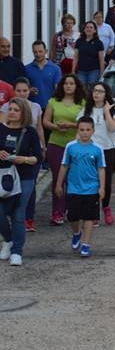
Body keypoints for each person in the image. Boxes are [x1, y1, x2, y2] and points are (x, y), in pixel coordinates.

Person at [55, 116, 105, 258]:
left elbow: (101, 168)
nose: (85, 132)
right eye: (82, 130)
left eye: (88, 130)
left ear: (93, 131)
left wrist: (102, 187)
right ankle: (77, 233)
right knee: (73, 217)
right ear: (77, 130)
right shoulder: (71, 147)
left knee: (89, 217)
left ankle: (86, 244)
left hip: (92, 188)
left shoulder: (97, 149)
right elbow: (64, 165)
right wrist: (59, 184)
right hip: (74, 188)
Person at [0, 99, 43, 267]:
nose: (12, 112)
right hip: (3, 177)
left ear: (23, 112)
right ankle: (9, 241)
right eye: (10, 109)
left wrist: (23, 159)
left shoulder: (30, 132)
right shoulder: (1, 128)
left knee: (18, 215)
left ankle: (17, 251)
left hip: (24, 177)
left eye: (16, 109)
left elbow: (38, 158)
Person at [42, 74, 85, 225]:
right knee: (58, 178)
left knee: (72, 178)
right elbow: (45, 122)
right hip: (56, 143)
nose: (68, 86)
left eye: (71, 83)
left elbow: (85, 123)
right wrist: (56, 127)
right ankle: (57, 212)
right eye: (66, 83)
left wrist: (70, 125)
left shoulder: (82, 103)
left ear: (76, 86)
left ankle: (71, 209)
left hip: (75, 145)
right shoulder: (53, 101)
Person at [81, 82, 115, 225]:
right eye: (95, 91)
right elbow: (80, 129)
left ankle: (106, 207)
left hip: (107, 149)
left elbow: (112, 127)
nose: (96, 94)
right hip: (90, 149)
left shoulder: (113, 109)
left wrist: (107, 111)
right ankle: (94, 212)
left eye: (100, 91)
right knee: (93, 180)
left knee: (106, 181)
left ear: (106, 94)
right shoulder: (86, 109)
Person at [25, 40, 62, 112]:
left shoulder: (55, 69)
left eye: (40, 51)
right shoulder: (26, 69)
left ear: (46, 51)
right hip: (32, 108)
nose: (38, 54)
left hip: (50, 108)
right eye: (35, 52)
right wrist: (29, 90)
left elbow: (58, 89)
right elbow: (23, 89)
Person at [74, 21, 105, 86]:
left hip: (94, 71)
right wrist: (73, 71)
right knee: (82, 90)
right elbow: (75, 57)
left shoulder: (99, 43)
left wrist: (102, 74)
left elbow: (101, 60)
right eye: (87, 27)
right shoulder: (79, 41)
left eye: (91, 27)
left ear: (94, 30)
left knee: (91, 89)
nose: (89, 29)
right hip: (81, 71)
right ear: (84, 29)